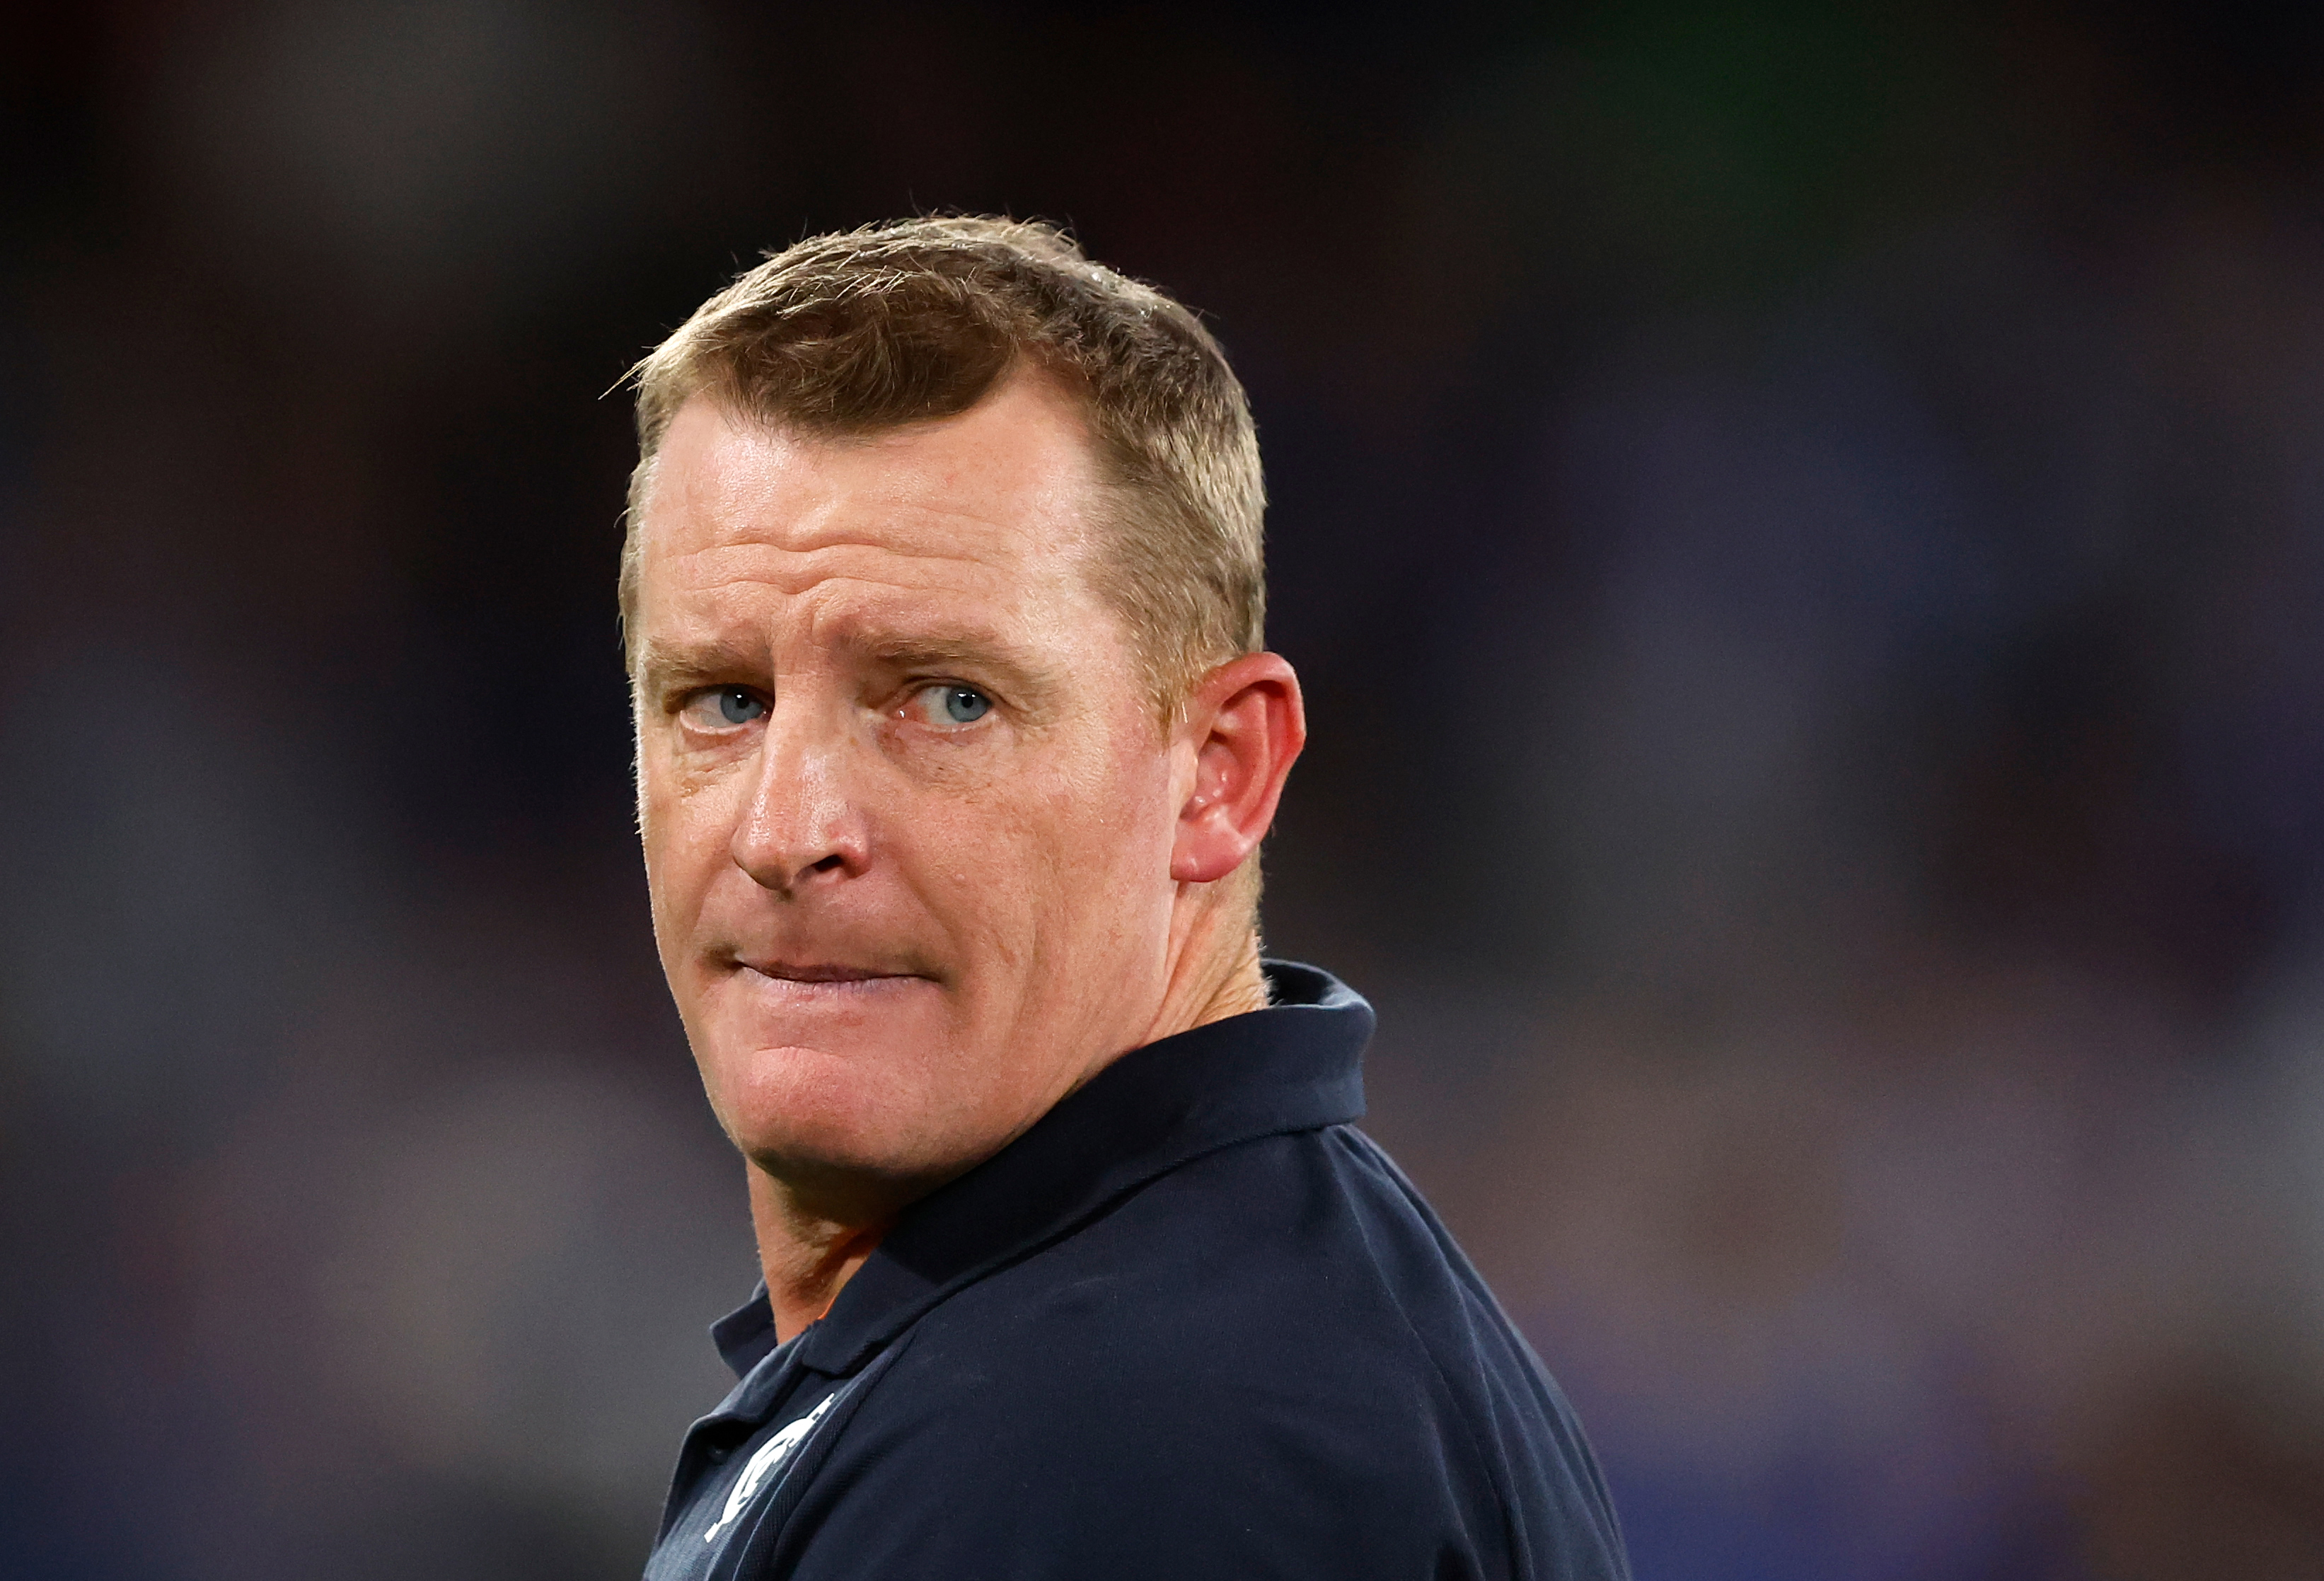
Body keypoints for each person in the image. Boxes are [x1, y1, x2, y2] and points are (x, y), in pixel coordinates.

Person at [622, 215, 1629, 1580]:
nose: (787, 833)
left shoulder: (1107, 1441)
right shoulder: (1158, 1317)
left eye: (947, 700)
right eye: (721, 701)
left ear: (1217, 775)